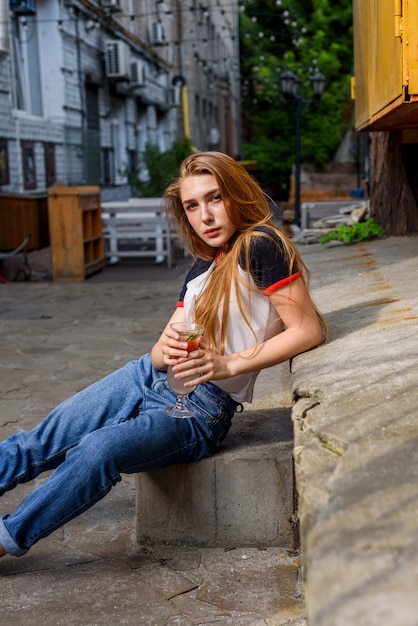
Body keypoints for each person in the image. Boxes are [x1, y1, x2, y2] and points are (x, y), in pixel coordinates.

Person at [0, 151, 328, 558]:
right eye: (192, 205)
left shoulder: (260, 245)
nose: (204, 215)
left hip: (201, 407)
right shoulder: (203, 265)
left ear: (236, 196)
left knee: (98, 450)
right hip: (146, 375)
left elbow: (307, 329)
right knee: (40, 438)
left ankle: (6, 538)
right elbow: (162, 348)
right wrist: (163, 348)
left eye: (215, 198)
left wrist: (228, 364)